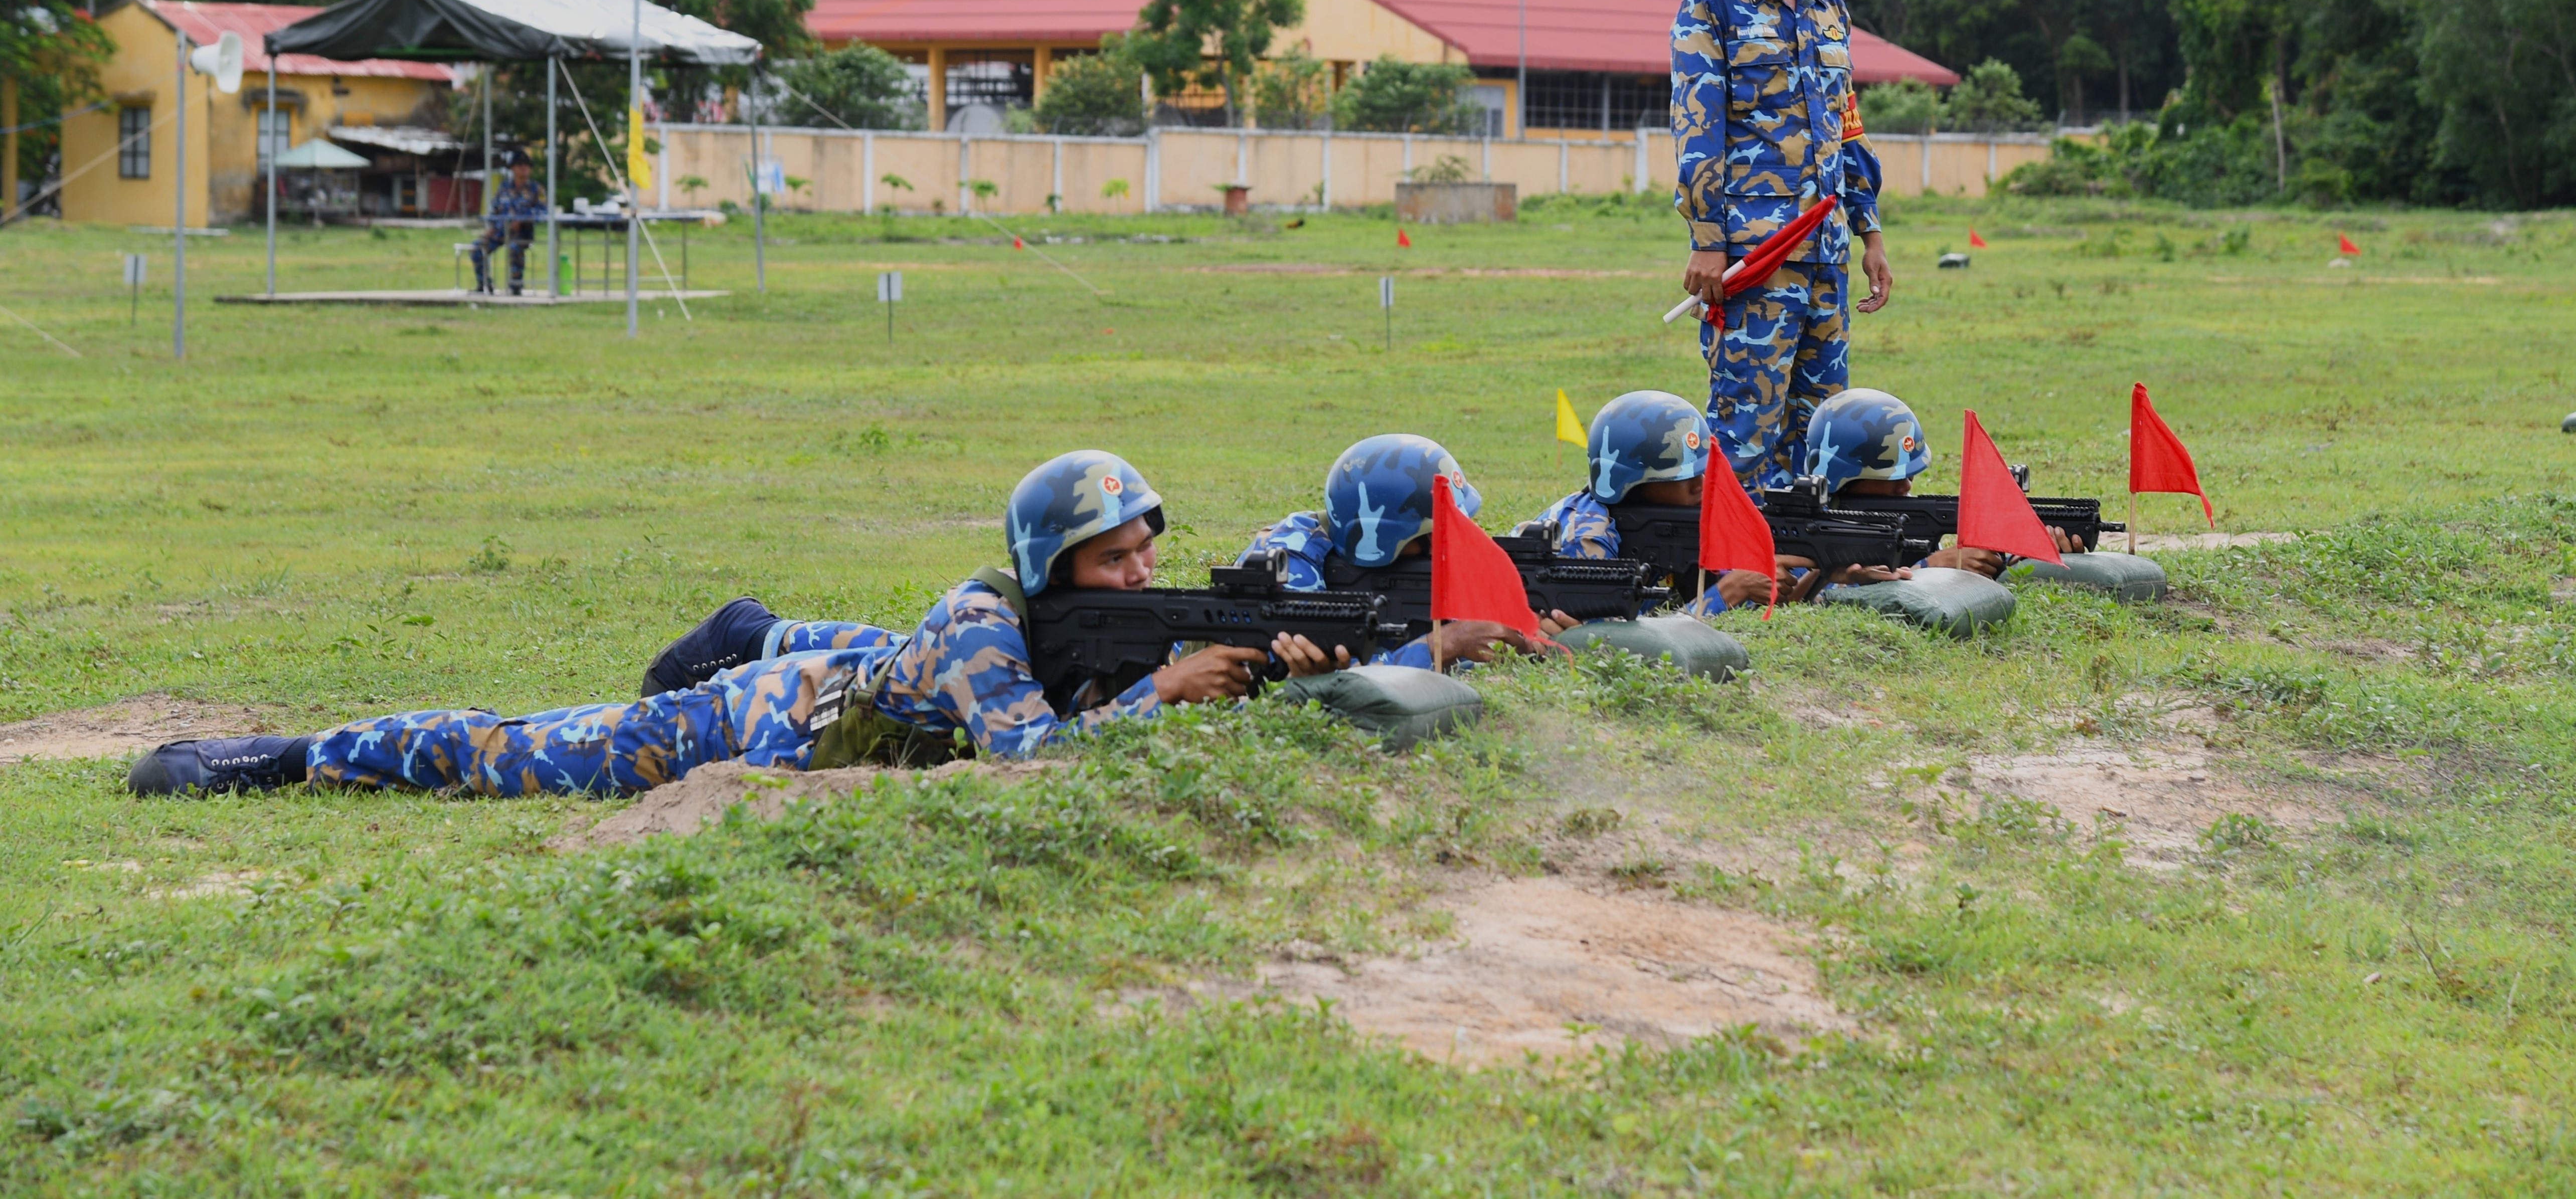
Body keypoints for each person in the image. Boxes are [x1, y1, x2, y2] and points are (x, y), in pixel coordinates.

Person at [128, 452, 1348, 798]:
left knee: (877, 652)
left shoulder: (1090, 624)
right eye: (1116, 555)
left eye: (1148, 550)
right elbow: (1026, 759)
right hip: (760, 729)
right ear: (1054, 561)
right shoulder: (988, 617)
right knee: (520, 752)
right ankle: (285, 756)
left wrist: (1279, 670)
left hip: (864, 694)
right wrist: (1167, 694)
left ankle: (751, 622)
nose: (1143, 573)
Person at [1671, 0, 1893, 493]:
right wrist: (1707, 241)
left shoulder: (1829, 9)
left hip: (1825, 253)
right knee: (1745, 429)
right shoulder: (1712, 3)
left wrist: (1870, 234)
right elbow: (1695, 128)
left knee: (1824, 431)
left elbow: (1845, 127)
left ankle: (1801, 571)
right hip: (1753, 257)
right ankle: (1731, 578)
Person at [1246, 433, 1574, 667]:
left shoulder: (1421, 570)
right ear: (1386, 539)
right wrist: (1438, 647)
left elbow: (1473, 641)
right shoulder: (1292, 559)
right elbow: (1296, 674)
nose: (1447, 547)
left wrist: (1532, 635)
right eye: (1436, 534)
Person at [1525, 389, 1797, 617]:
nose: (1700, 485)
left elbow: (1748, 594)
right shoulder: (1586, 539)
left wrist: (1813, 576)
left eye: (1703, 471)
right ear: (1631, 483)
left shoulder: (1676, 525)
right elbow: (1607, 641)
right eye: (1682, 477)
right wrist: (1731, 591)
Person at [1800, 388, 2087, 587]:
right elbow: (1816, 597)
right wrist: (1932, 567)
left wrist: (2020, 555)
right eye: (1891, 477)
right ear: (1841, 478)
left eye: (1910, 474)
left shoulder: (1898, 523)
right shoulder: (1808, 536)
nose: (1906, 485)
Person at [468, 147, 545, 297]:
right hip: (500, 231)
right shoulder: (504, 188)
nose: (524, 168)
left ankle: (516, 286)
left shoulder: (536, 189)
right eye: (520, 165)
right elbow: (495, 208)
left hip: (522, 233)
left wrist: (523, 220)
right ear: (513, 168)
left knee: (515, 249)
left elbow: (543, 212)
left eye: (527, 165)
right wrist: (491, 227)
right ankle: (484, 285)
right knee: (477, 249)